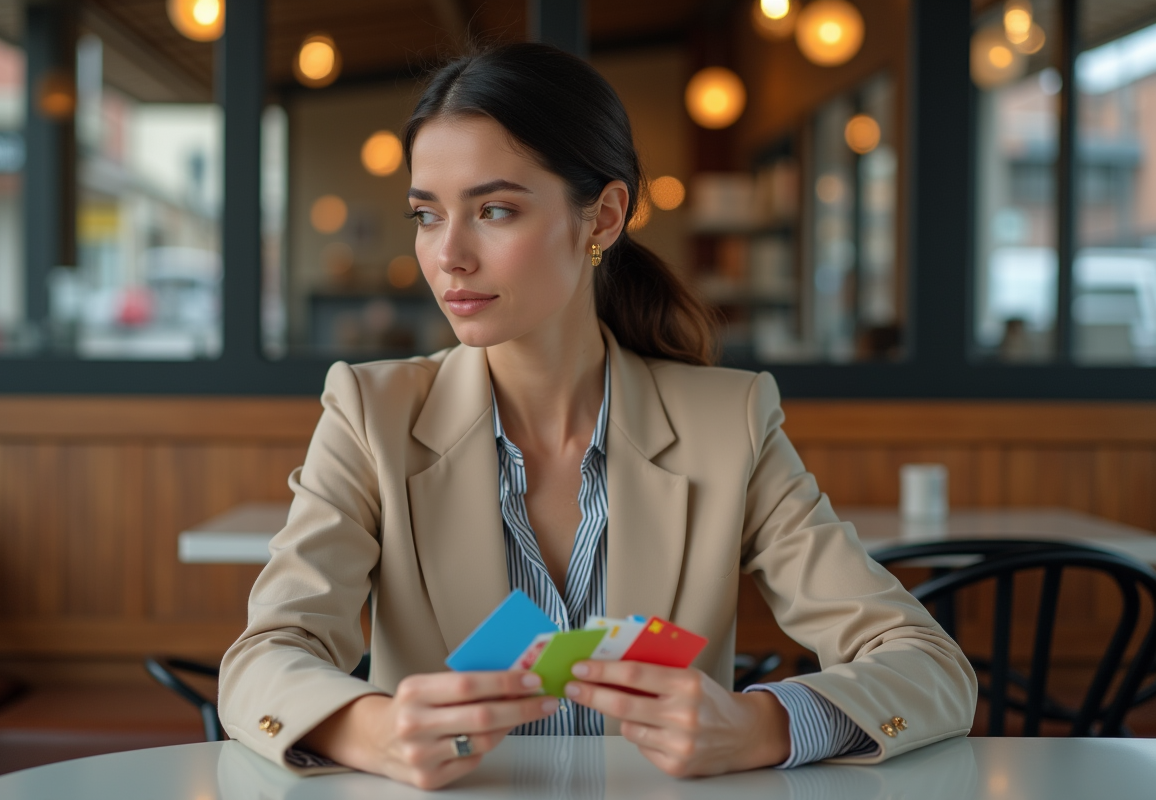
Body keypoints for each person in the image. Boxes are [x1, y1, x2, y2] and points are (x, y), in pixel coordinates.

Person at [218, 42, 976, 790]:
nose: (448, 254)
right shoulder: (369, 414)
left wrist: (763, 726)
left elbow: (929, 666)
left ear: (604, 218)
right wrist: (376, 732)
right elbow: (263, 658)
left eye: (494, 210)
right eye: (426, 215)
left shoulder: (728, 424)